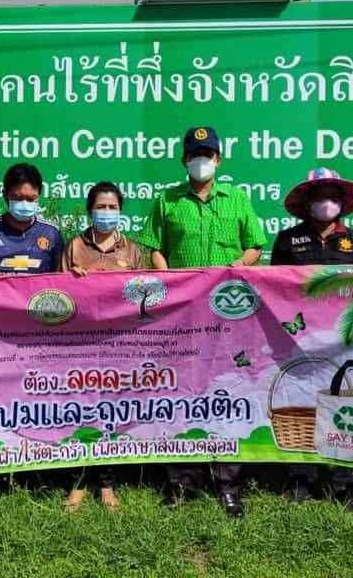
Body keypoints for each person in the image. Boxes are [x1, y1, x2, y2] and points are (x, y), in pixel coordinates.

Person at [138, 126, 265, 517]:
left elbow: (255, 245)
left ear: (218, 159)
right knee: (182, 393)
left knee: (228, 391)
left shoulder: (237, 199)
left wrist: (238, 264)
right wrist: (171, 281)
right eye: (195, 154)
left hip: (228, 315)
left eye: (207, 154)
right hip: (184, 316)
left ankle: (228, 484)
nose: (201, 161)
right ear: (184, 160)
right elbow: (153, 247)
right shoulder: (167, 200)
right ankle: (182, 482)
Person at [271, 168, 353, 512]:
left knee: (348, 401)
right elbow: (274, 287)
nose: (326, 202)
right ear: (307, 202)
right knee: (301, 400)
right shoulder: (287, 240)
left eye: (332, 195)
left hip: (345, 337)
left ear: (342, 202)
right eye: (319, 196)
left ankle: (348, 478)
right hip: (300, 337)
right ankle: (302, 474)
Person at [60, 182, 146, 513]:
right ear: (89, 210)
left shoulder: (132, 251)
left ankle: (107, 484)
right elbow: (56, 296)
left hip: (118, 345)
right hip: (79, 344)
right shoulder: (74, 247)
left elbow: (144, 296)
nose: (106, 213)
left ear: (120, 211)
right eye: (101, 207)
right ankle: (78, 482)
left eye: (112, 207)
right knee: (79, 412)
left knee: (110, 412)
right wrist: (71, 280)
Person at [0, 163, 63, 276]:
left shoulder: (51, 233)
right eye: (18, 198)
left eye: (31, 199)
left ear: (38, 196)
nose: (24, 204)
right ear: (5, 195)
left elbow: (61, 279)